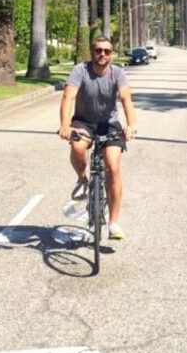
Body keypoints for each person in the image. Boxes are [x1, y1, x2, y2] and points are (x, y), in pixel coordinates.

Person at [58, 36, 136, 240]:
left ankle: (113, 223)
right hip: (83, 122)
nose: (102, 54)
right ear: (92, 52)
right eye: (98, 50)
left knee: (113, 167)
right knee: (77, 147)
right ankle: (83, 179)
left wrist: (131, 125)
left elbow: (126, 99)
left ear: (112, 54)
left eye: (107, 51)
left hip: (109, 124)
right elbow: (68, 97)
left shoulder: (118, 73)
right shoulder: (80, 70)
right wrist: (65, 125)